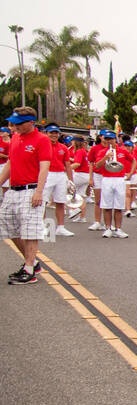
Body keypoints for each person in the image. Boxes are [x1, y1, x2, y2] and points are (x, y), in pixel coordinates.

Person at [0, 108, 52, 284]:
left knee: (30, 230)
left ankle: (29, 269)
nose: (15, 126)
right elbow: (10, 163)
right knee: (8, 226)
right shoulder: (15, 137)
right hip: (13, 189)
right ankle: (33, 262)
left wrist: (39, 191)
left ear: (31, 122)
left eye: (19, 123)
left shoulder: (42, 140)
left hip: (31, 189)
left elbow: (44, 167)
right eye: (14, 123)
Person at [92, 131, 135, 239]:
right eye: (106, 139)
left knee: (119, 206)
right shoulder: (102, 152)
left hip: (120, 179)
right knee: (107, 206)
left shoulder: (122, 151)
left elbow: (134, 160)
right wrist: (106, 157)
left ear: (115, 140)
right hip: (107, 179)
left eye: (111, 139)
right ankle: (108, 228)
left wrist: (130, 173)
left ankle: (118, 229)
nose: (109, 141)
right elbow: (97, 165)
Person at [39, 124, 75, 238]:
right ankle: (43, 226)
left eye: (56, 133)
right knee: (43, 201)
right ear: (46, 133)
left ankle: (60, 227)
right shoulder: (42, 146)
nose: (54, 135)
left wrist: (70, 180)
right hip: (47, 174)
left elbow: (68, 165)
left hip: (60, 175)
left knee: (60, 201)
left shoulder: (63, 147)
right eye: (51, 133)